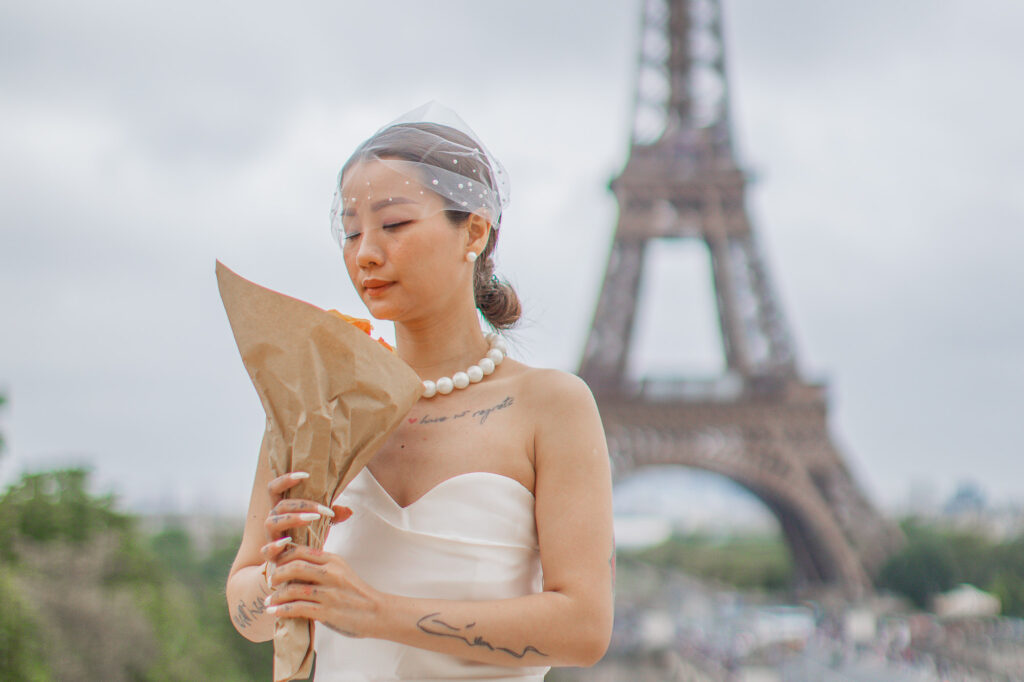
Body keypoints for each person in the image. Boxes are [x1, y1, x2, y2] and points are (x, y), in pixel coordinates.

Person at [226, 103, 614, 681]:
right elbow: (248, 614)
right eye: (352, 231)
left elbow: (583, 629)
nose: (366, 254)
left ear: (475, 230)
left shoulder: (551, 406)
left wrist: (377, 613)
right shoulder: (315, 404)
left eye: (395, 224)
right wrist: (280, 573)